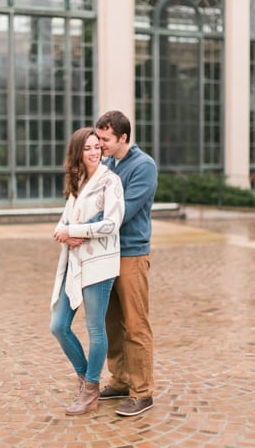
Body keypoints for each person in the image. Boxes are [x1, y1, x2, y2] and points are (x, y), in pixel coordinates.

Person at [50, 127, 125, 415]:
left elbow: (111, 224)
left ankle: (91, 390)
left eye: (97, 147)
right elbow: (61, 224)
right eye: (88, 148)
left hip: (100, 264)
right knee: (58, 325)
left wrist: (75, 230)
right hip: (74, 263)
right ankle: (85, 377)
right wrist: (64, 233)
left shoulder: (111, 181)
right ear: (78, 152)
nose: (94, 152)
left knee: (95, 329)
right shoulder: (78, 181)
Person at [95, 110, 158, 417]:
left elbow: (123, 211)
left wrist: (86, 226)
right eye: (99, 137)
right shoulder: (107, 164)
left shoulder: (143, 166)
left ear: (123, 138)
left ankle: (142, 392)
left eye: (105, 139)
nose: (100, 143)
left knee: (135, 325)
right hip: (107, 254)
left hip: (132, 254)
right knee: (112, 323)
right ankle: (121, 379)